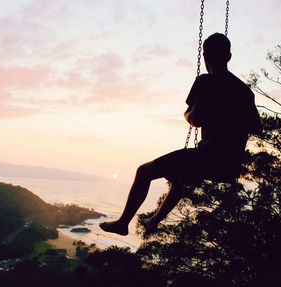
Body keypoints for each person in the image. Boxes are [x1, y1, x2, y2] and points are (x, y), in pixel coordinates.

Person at [99, 33, 263, 236]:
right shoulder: (244, 91)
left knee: (144, 171)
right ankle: (154, 220)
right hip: (230, 165)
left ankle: (123, 223)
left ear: (205, 57)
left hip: (209, 157)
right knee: (180, 175)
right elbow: (257, 127)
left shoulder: (206, 82)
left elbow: (195, 119)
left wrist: (190, 113)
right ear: (228, 57)